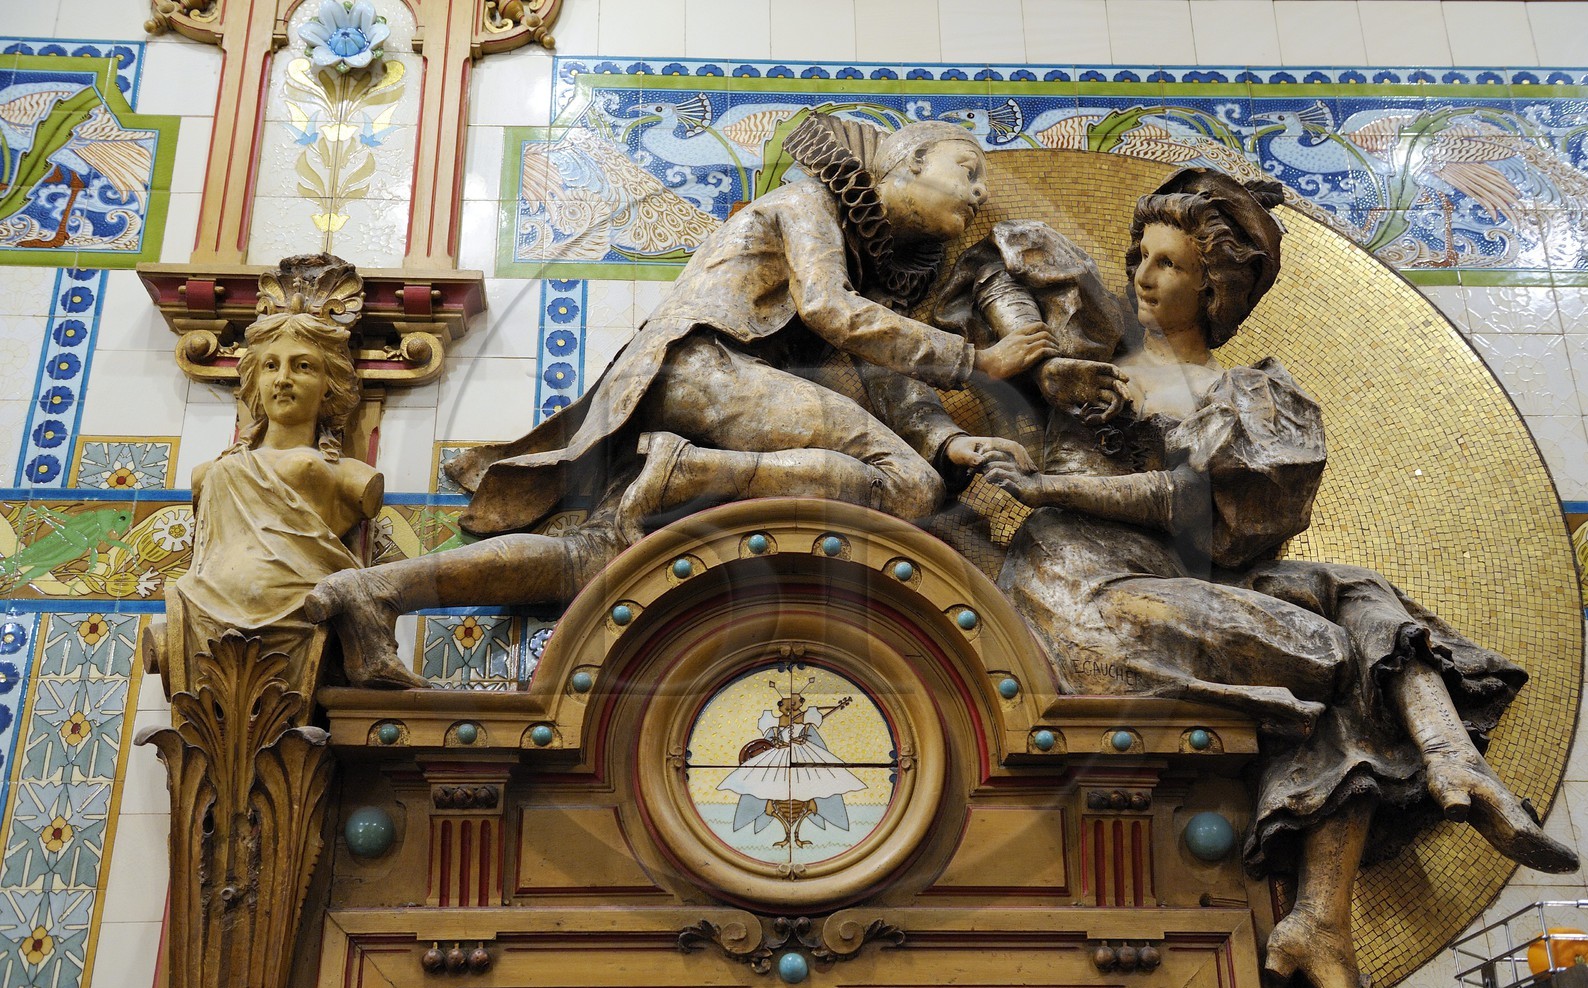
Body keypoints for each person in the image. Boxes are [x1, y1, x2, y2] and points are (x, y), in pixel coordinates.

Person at [972, 169, 1577, 988]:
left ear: (1214, 289)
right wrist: (1020, 347)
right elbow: (990, 259)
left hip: (1184, 582)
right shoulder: (1087, 358)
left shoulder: (1251, 397)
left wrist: (1043, 481)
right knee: (1331, 653)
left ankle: (1436, 785)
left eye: (1169, 264)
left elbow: (1198, 516)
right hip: (1080, 594)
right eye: (1141, 253)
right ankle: (1394, 833)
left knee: (1355, 591)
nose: (1142, 274)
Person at [307, 115, 1042, 685]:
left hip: (714, 402)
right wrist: (977, 360)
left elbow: (877, 374)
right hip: (703, 373)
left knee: (592, 559)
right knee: (911, 488)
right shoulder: (806, 202)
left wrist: (951, 441)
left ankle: (374, 592)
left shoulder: (858, 266)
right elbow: (828, 309)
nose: (979, 193)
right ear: (909, 162)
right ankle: (684, 469)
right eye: (967, 170)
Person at [171, 270, 381, 679]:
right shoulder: (209, 475)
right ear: (256, 379)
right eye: (271, 366)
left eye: (302, 366)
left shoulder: (355, 479)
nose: (283, 380)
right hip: (203, 613)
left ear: (328, 385)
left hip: (301, 618)